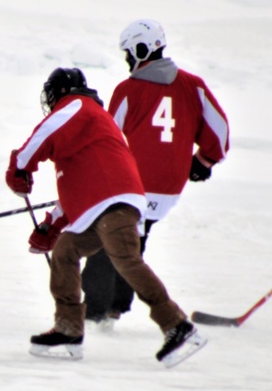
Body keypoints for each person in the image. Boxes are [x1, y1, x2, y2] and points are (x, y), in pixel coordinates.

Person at [5, 67, 205, 367]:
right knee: (65, 250)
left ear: (61, 91)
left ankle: (177, 325)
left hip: (114, 200)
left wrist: (20, 166)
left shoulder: (76, 106)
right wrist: (52, 224)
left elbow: (43, 134)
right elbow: (79, 186)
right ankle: (69, 328)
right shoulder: (83, 129)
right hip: (100, 204)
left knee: (125, 259)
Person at [82, 19, 230, 329]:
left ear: (141, 49)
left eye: (128, 54)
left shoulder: (128, 90)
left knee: (104, 238)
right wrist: (204, 160)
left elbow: (109, 139)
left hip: (130, 187)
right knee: (133, 237)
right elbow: (220, 131)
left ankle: (96, 311)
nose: (127, 61)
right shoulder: (194, 86)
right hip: (167, 192)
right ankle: (114, 308)